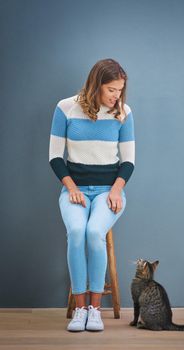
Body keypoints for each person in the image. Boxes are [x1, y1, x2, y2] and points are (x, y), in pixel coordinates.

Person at [49, 58, 135, 332]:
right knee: (76, 232)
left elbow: (129, 161)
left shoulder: (124, 113)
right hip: (74, 190)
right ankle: (81, 309)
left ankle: (96, 311)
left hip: (109, 192)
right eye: (111, 89)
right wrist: (71, 188)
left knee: (94, 233)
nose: (116, 95)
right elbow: (54, 156)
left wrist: (117, 189)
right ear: (96, 85)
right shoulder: (66, 108)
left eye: (120, 90)